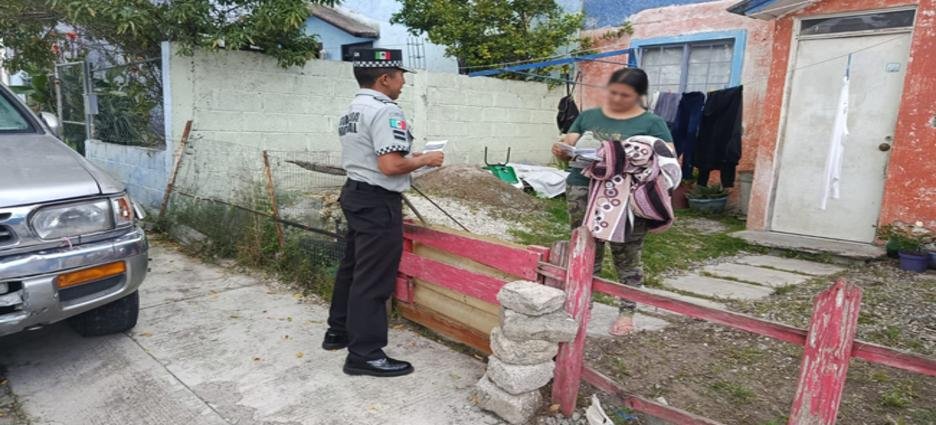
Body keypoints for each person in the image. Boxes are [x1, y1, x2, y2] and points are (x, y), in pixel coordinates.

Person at [322, 49, 444, 378]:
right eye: (400, 76)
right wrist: (425, 160)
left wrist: (410, 159)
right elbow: (390, 165)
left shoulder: (352, 110)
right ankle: (365, 354)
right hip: (377, 201)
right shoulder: (386, 111)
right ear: (385, 78)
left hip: (356, 193)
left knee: (352, 268)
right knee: (374, 278)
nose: (404, 82)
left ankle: (338, 331)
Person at [552, 68, 674, 336]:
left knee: (627, 252)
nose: (617, 99)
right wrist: (561, 150)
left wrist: (621, 157)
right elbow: (568, 147)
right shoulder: (588, 116)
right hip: (583, 188)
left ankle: (627, 311)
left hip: (628, 195)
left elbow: (668, 158)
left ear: (638, 95)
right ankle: (583, 304)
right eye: (613, 92)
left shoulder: (652, 123)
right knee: (586, 248)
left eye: (625, 95)